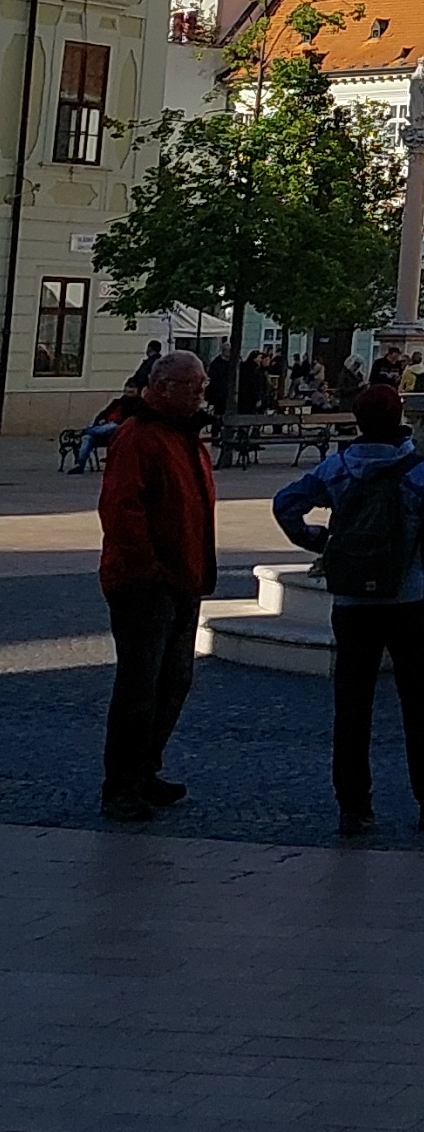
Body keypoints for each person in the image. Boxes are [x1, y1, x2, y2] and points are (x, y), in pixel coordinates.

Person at [272, 384, 424, 837]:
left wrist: (322, 543)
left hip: (353, 601)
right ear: (399, 417)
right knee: (420, 705)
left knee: (352, 705)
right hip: (410, 599)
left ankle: (354, 807)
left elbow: (286, 505)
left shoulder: (338, 468)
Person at [94, 349, 217, 823]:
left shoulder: (183, 437)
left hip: (181, 577)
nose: (202, 391)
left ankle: (145, 770)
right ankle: (121, 783)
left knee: (174, 681)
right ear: (163, 387)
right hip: (146, 583)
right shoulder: (141, 437)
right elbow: (123, 511)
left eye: (202, 382)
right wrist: (150, 571)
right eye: (194, 384)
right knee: (140, 686)